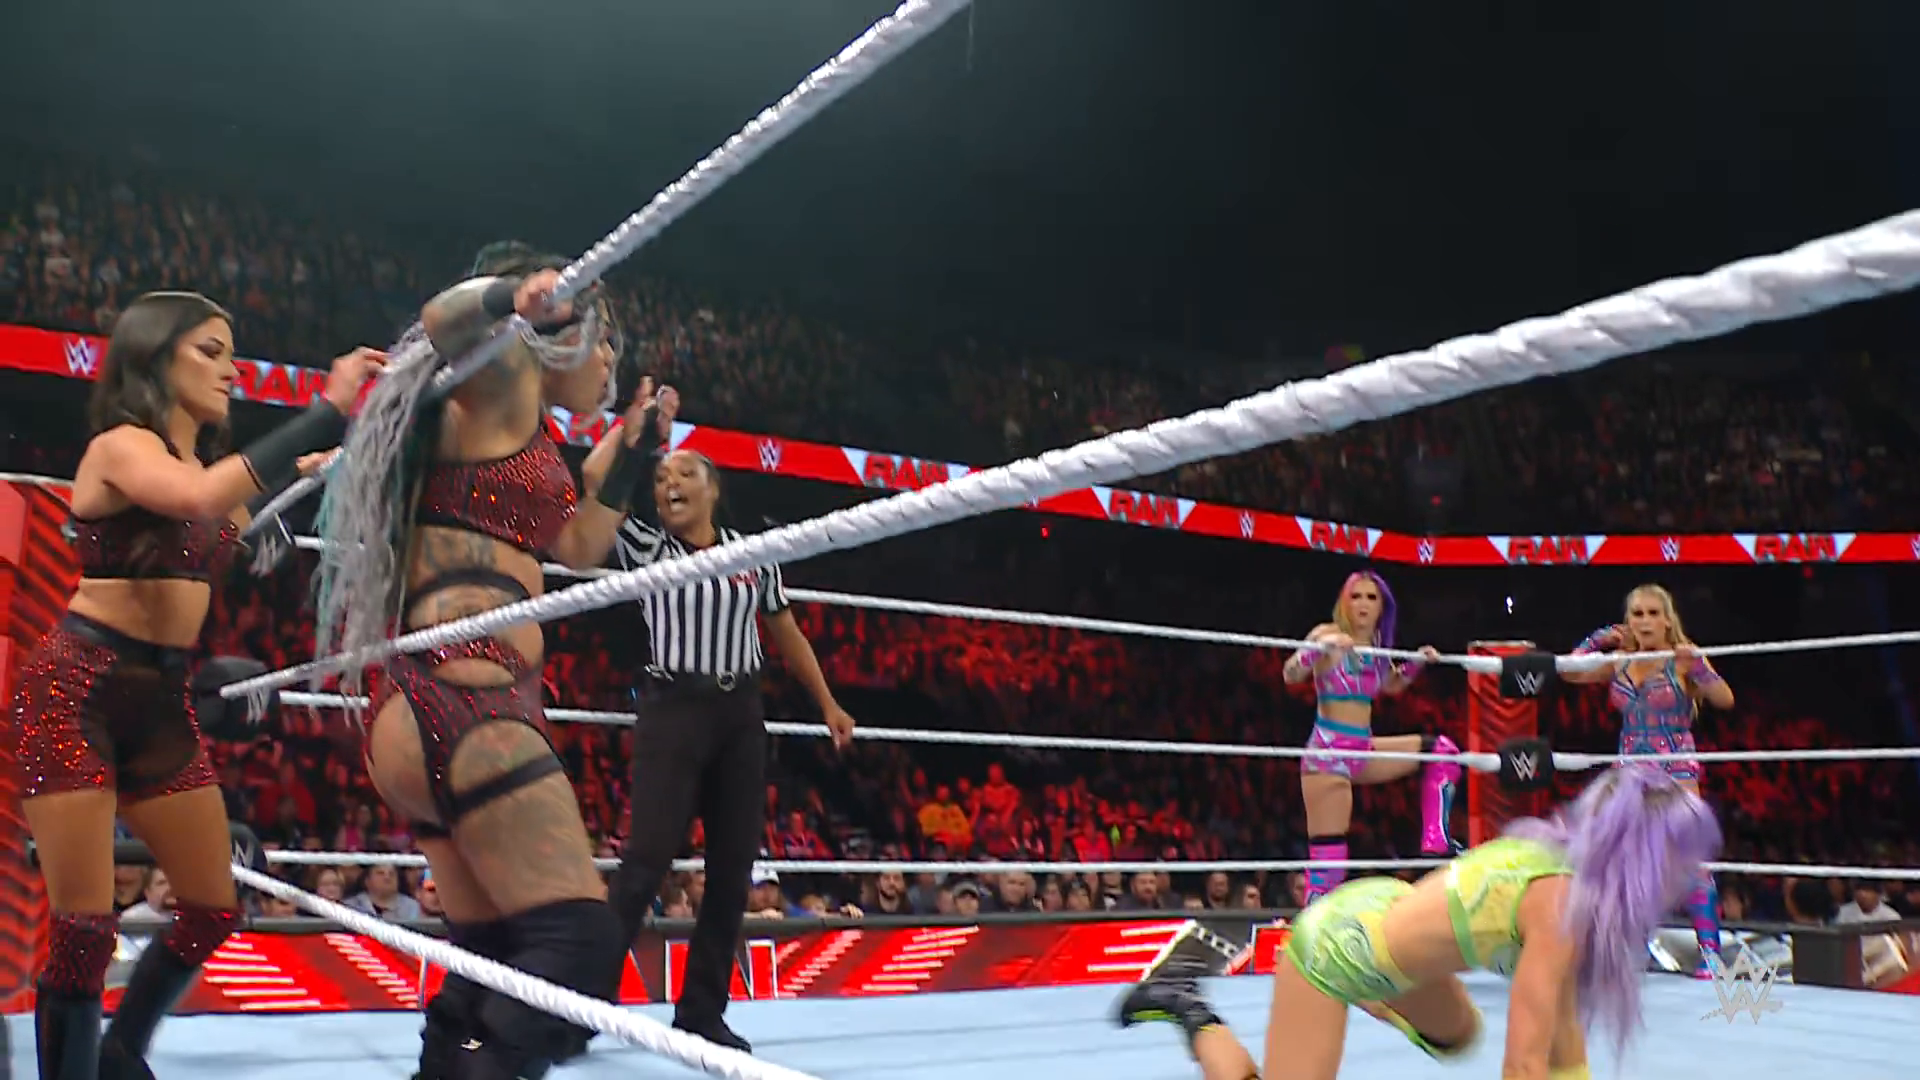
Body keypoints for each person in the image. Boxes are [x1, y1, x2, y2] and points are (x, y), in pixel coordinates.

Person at [5, 289, 376, 1079]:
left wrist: (311, 468)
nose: (230, 370)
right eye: (209, 351)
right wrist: (325, 410)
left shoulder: (197, 473)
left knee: (212, 906)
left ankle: (120, 1053)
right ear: (153, 356)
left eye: (231, 354)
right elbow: (204, 500)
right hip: (78, 690)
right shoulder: (121, 448)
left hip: (162, 702)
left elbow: (228, 515)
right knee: (84, 930)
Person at [311, 242, 639, 1079]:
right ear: (560, 333)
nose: (609, 360)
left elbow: (578, 546)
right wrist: (518, 295)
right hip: (468, 691)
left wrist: (630, 454)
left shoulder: (519, 425)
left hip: (430, 701)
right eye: (604, 339)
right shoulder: (500, 375)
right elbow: (443, 320)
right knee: (576, 943)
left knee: (490, 948)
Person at [1116, 765, 1722, 1080]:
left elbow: (1562, 1040)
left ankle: (1375, 996)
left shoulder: (1569, 885)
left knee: (1460, 1036)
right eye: (1682, 858)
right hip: (1335, 949)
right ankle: (1186, 1005)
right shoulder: (1560, 906)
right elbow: (1524, 1064)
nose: (1691, 874)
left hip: (1386, 909)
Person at [590, 383, 856, 1053]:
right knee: (646, 859)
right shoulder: (647, 546)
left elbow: (784, 628)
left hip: (740, 713)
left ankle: (702, 1010)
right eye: (662, 480)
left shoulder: (751, 551)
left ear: (713, 488)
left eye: (684, 473)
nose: (669, 485)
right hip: (672, 709)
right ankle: (580, 1003)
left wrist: (827, 702)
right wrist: (644, 438)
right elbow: (607, 498)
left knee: (734, 866)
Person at [1563, 583, 1734, 975]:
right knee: (1627, 859)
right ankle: (1632, 950)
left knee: (1692, 857)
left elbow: (1725, 699)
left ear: (1667, 619)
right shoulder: (1619, 661)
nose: (1645, 621)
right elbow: (1569, 671)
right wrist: (1599, 639)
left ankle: (1710, 953)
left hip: (1675, 766)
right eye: (1637, 613)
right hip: (1630, 768)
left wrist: (1699, 668)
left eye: (1653, 613)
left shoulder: (1682, 658)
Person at [1280, 571, 1457, 904]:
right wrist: (1316, 651)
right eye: (1356, 596)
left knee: (1441, 751)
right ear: (1344, 602)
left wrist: (1416, 663)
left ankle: (1436, 846)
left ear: (1382, 607)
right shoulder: (1326, 634)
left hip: (1363, 749)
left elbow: (1390, 685)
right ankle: (1313, 925)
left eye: (1371, 597)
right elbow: (1290, 674)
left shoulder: (1377, 647)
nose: (1363, 604)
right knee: (1330, 858)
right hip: (1329, 754)